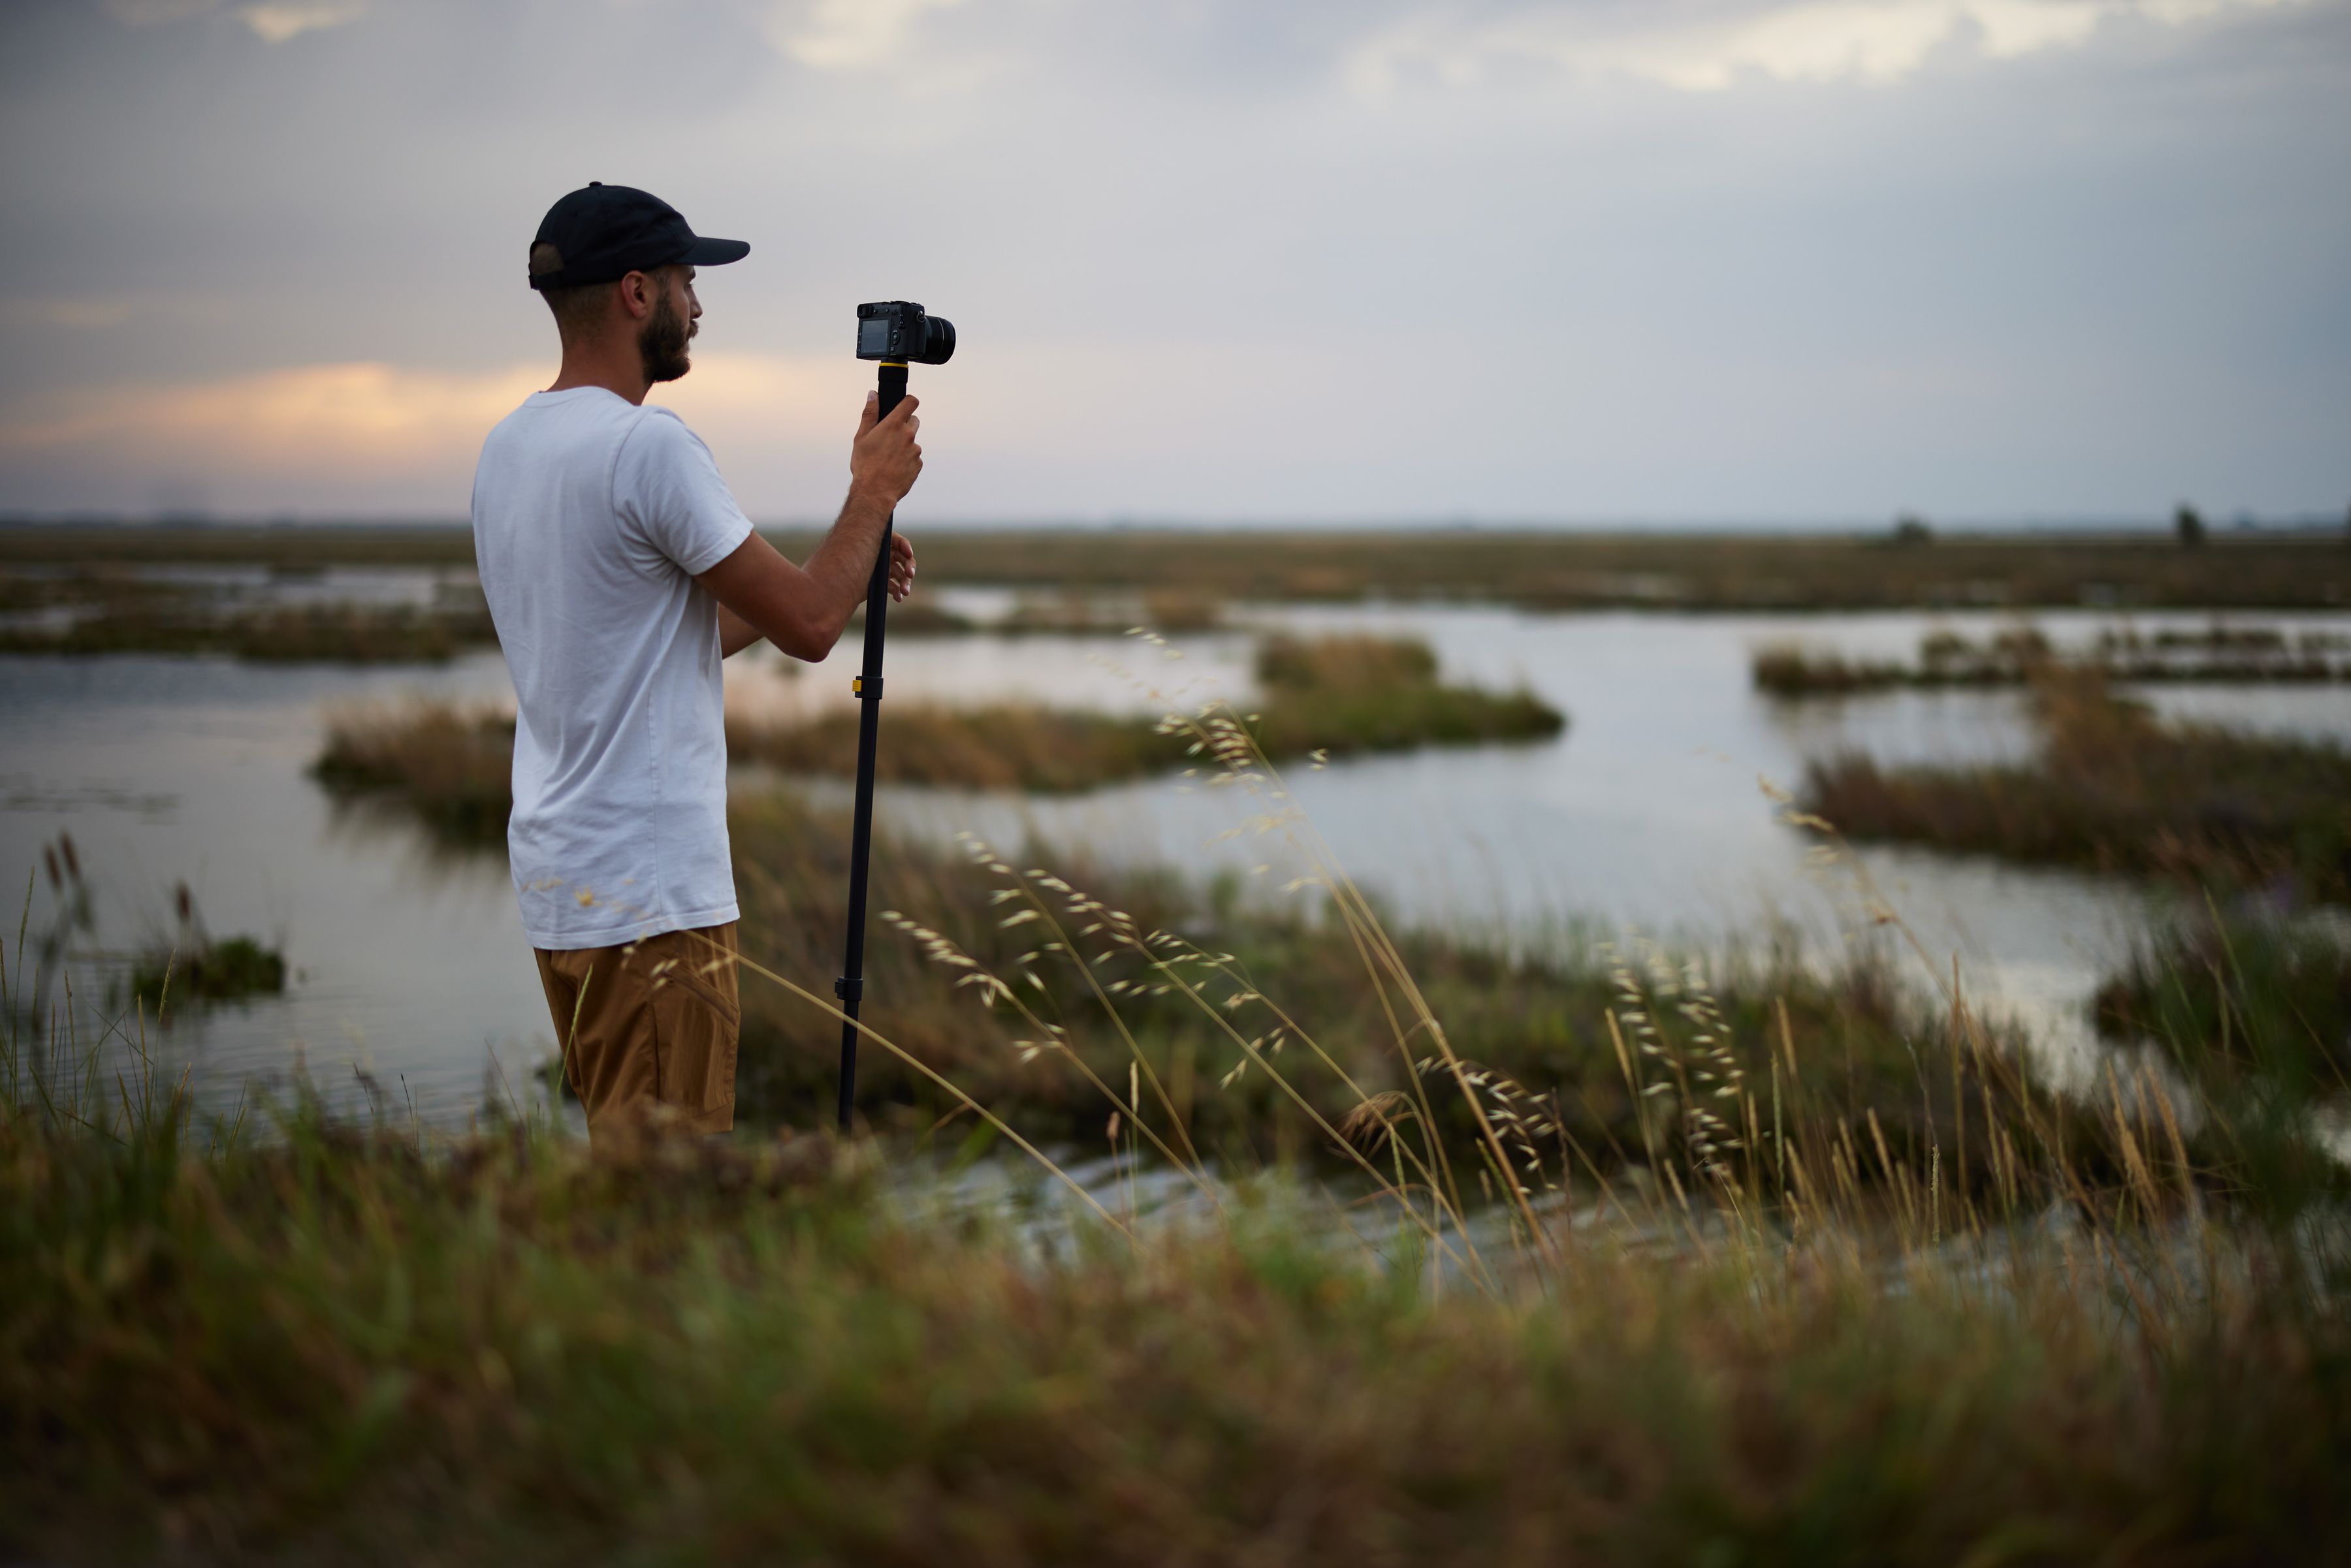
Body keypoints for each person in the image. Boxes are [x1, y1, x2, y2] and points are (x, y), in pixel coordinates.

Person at [470, 182, 923, 1141]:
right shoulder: (650, 448)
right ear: (637, 293)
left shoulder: (509, 449)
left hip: (565, 885)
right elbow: (808, 626)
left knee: (624, 1167)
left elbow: (668, 636)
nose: (699, 305)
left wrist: (842, 554)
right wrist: (870, 493)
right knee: (670, 1212)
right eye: (685, 281)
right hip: (653, 901)